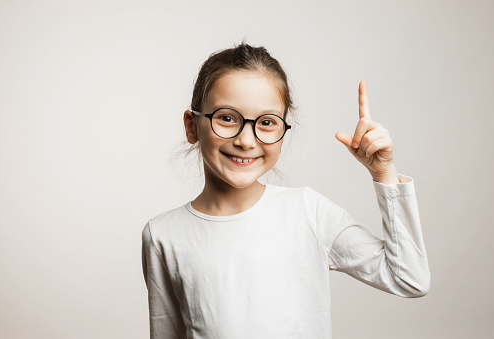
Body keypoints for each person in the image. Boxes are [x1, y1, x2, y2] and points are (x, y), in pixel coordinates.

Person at [141, 42, 430, 339]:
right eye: (227, 118)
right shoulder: (163, 234)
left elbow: (408, 278)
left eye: (266, 122)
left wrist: (384, 173)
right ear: (192, 126)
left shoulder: (307, 212)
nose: (246, 140)